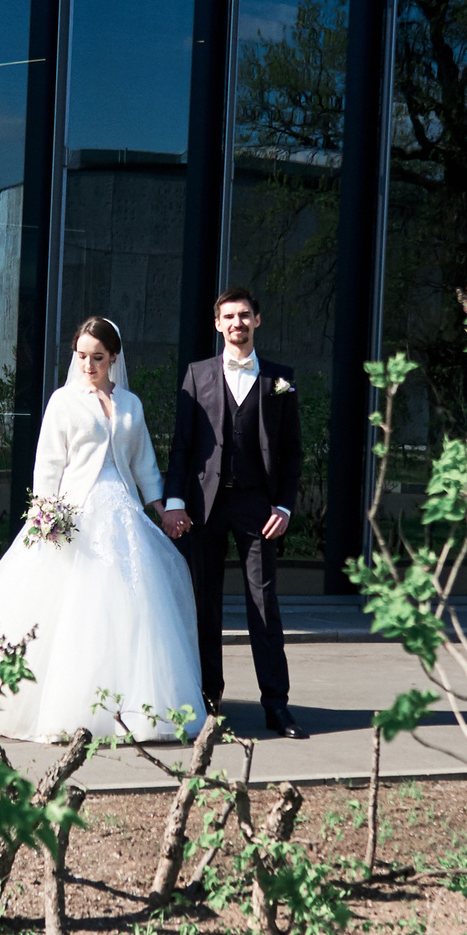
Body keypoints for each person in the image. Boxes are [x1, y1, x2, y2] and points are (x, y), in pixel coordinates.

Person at [0, 317, 202, 743]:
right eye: (81, 355)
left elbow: (144, 465)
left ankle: (130, 708)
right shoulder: (63, 402)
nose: (88, 364)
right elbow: (48, 463)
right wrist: (45, 513)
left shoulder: (131, 404)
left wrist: (163, 507)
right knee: (69, 609)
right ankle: (64, 706)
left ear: (114, 357)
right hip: (74, 515)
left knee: (130, 610)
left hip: (122, 515)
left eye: (97, 357)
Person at [160, 287, 305, 739]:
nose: (237, 322)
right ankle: (210, 703)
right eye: (229, 316)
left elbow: (292, 452)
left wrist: (283, 505)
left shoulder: (280, 379)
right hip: (204, 505)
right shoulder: (197, 374)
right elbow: (182, 445)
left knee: (264, 604)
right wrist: (176, 501)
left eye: (244, 315)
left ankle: (277, 706)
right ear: (218, 324)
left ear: (257, 321)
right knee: (205, 604)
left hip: (258, 506)